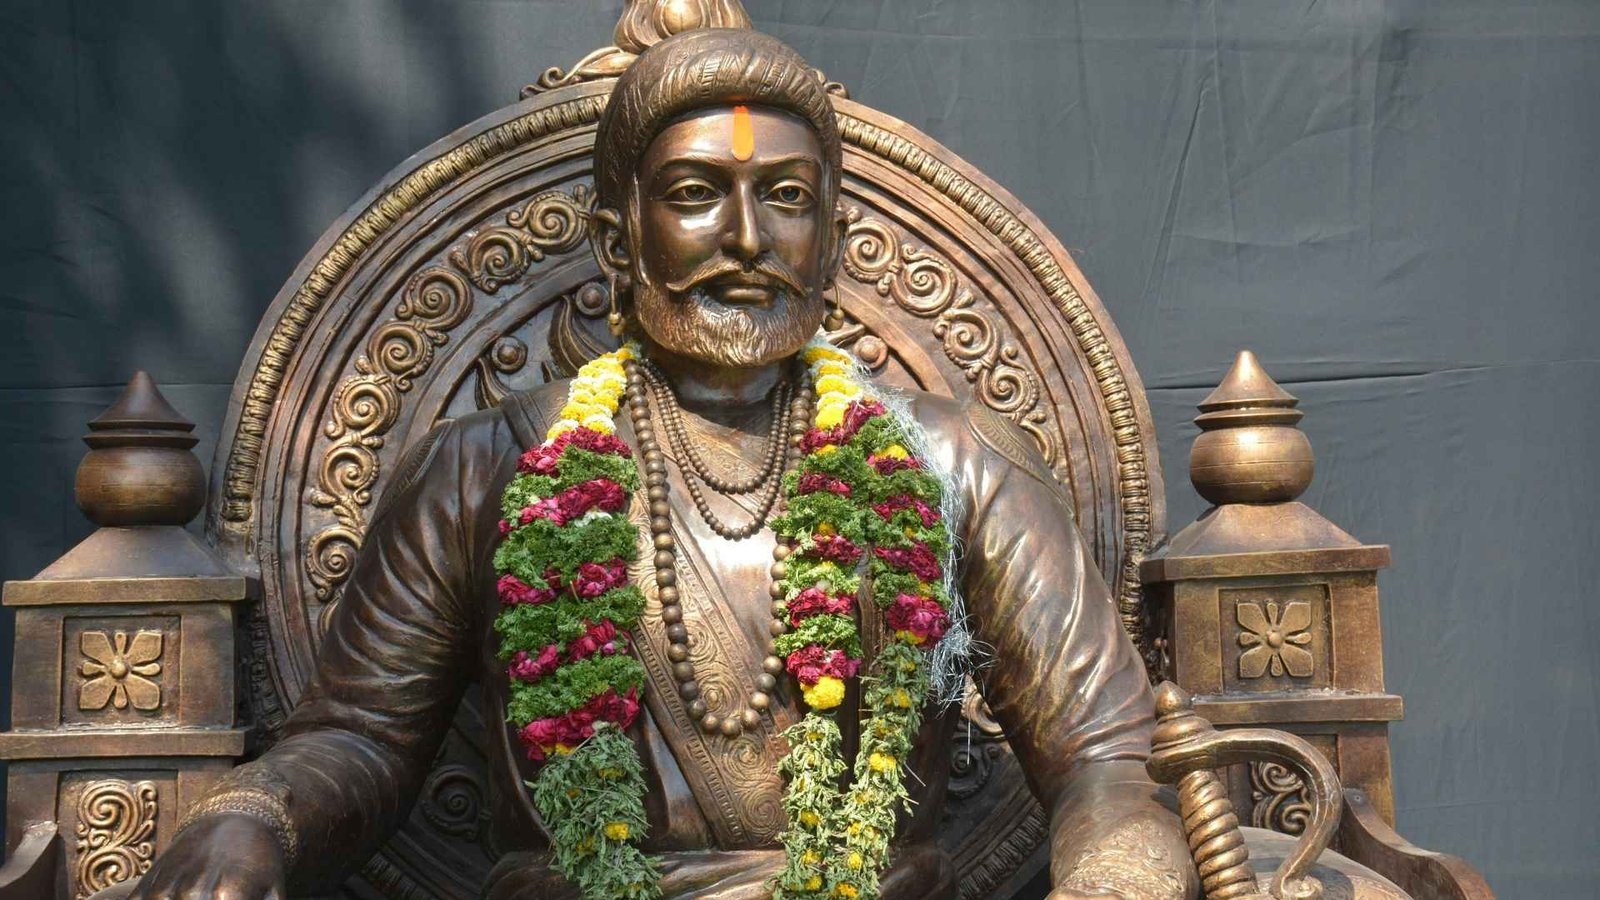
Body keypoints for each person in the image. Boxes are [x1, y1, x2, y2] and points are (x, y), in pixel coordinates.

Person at [131, 28, 1196, 900]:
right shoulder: (482, 468)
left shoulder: (955, 461)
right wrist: (253, 820)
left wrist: (1118, 876)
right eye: (695, 193)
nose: (748, 237)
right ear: (618, 242)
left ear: (830, 243)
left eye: (787, 197)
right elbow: (362, 738)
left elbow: (1102, 753)